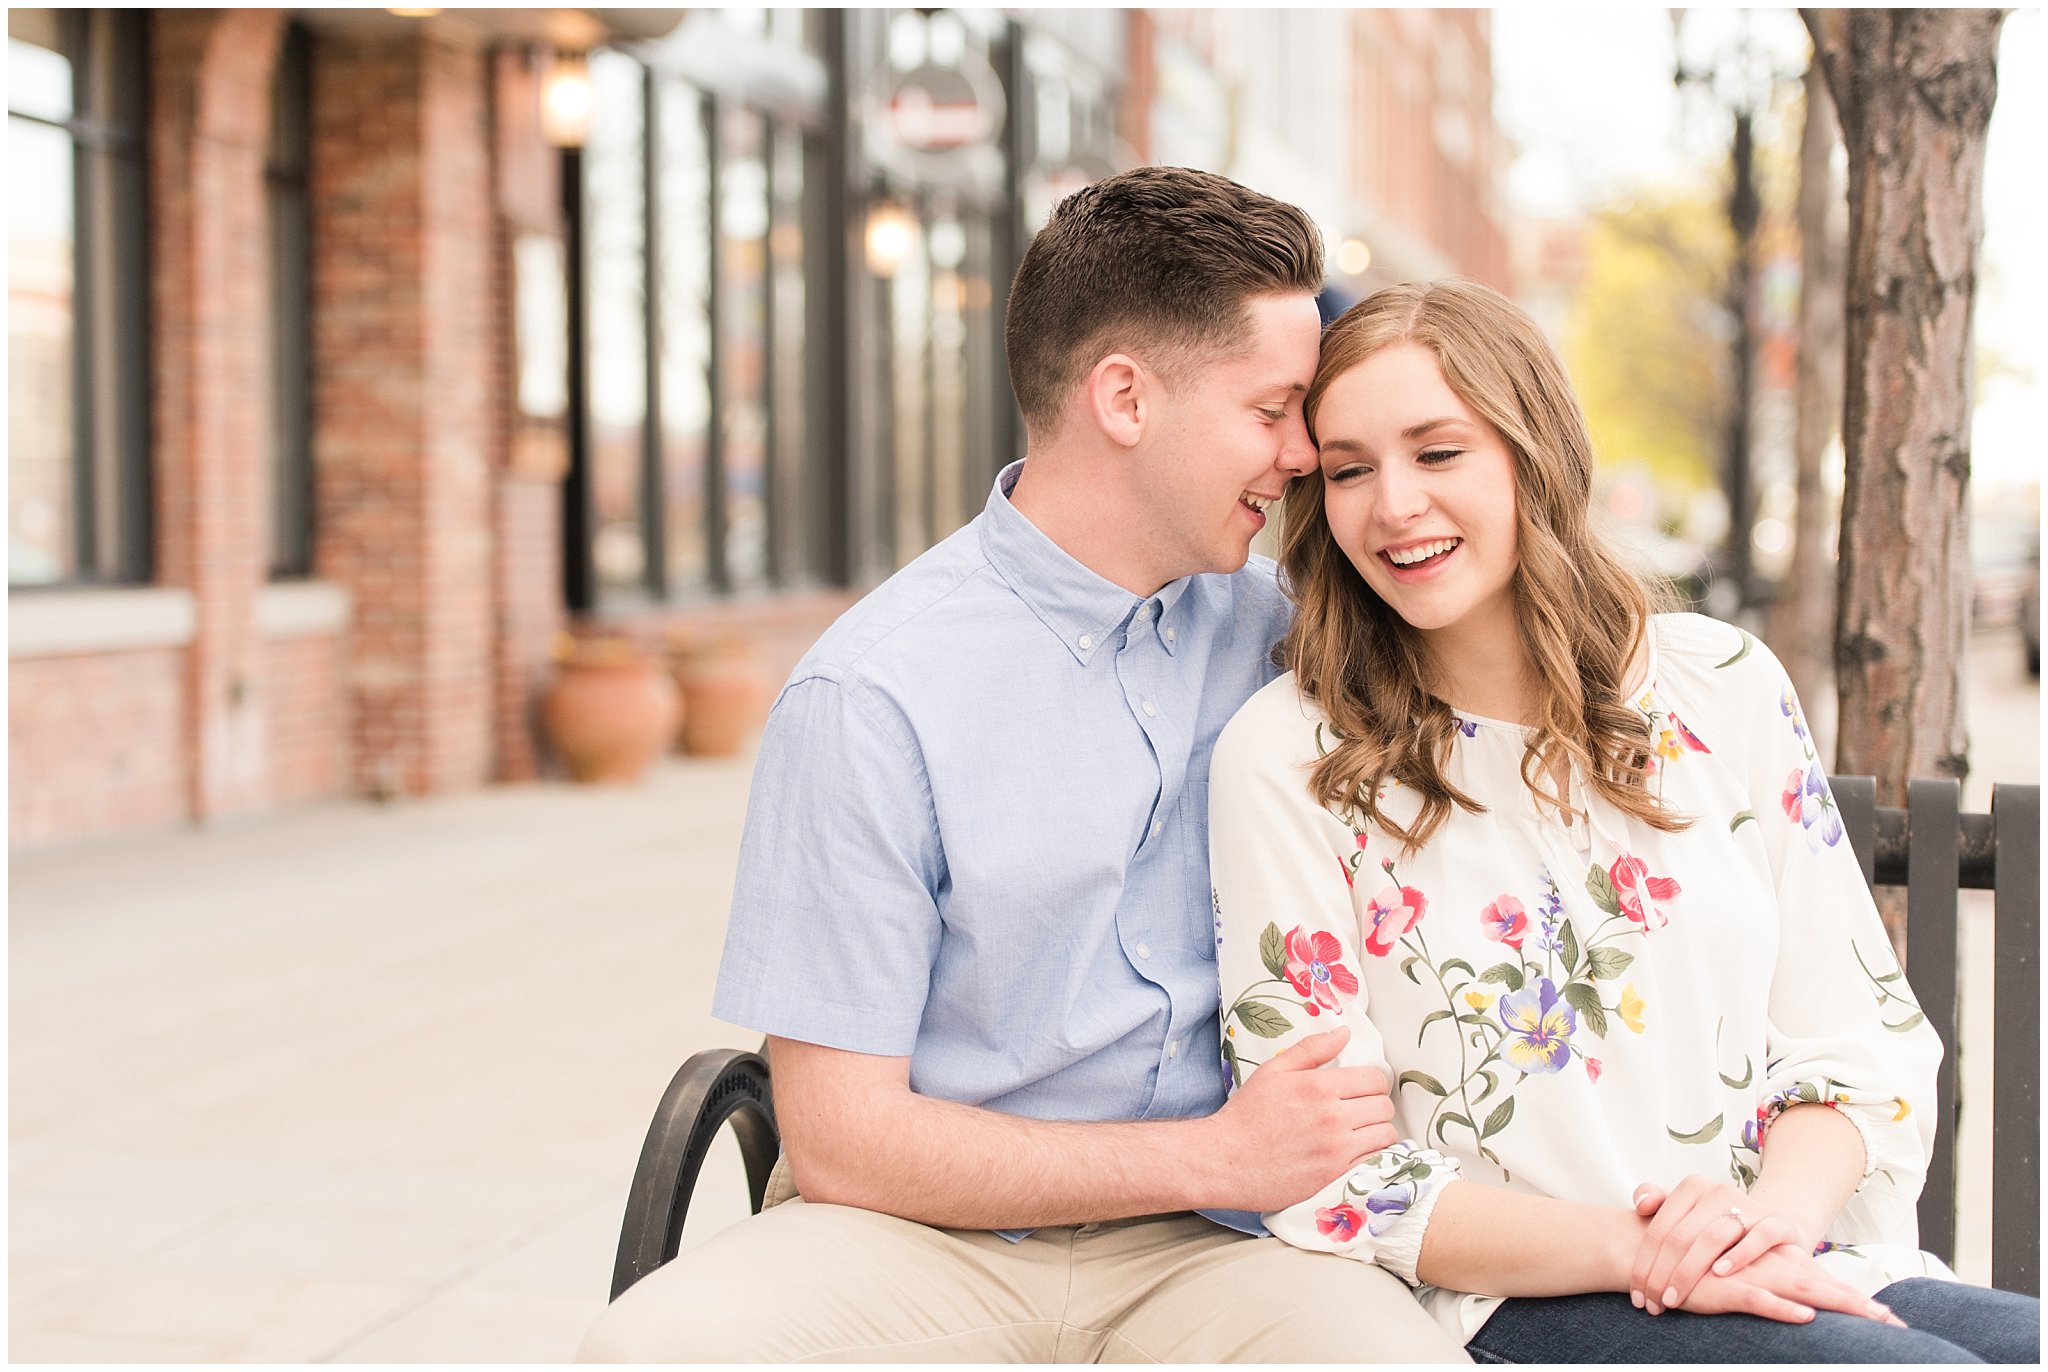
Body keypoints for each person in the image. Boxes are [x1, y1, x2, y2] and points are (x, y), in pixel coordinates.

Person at [578, 168, 1467, 1363]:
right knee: (657, 1353)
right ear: (1123, 398)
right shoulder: (872, 693)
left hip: (1220, 1251)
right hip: (911, 1238)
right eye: (1271, 410)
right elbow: (840, 1139)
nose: (1303, 454)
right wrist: (1212, 1151)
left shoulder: (1295, 635)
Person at [1208, 278, 2040, 1362]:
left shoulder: (1719, 682)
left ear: (1531, 452)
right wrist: (1643, 1249)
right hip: (1516, 1304)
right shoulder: (1292, 754)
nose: (1391, 504)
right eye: (1351, 469)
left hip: (1782, 1250)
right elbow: (1333, 1176)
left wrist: (1760, 1225)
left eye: (1438, 451)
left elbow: (1854, 1040)